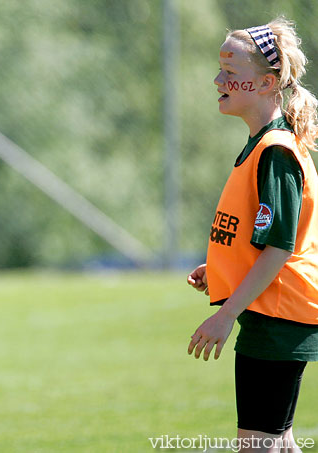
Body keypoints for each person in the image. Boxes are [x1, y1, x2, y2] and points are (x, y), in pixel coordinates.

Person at [187, 17, 318, 452]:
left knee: (257, 447)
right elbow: (261, 236)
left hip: (278, 316)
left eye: (231, 73)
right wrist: (223, 265)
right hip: (276, 312)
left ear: (266, 83)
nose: (217, 79)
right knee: (277, 445)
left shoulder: (275, 151)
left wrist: (225, 315)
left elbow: (280, 247)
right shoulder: (263, 143)